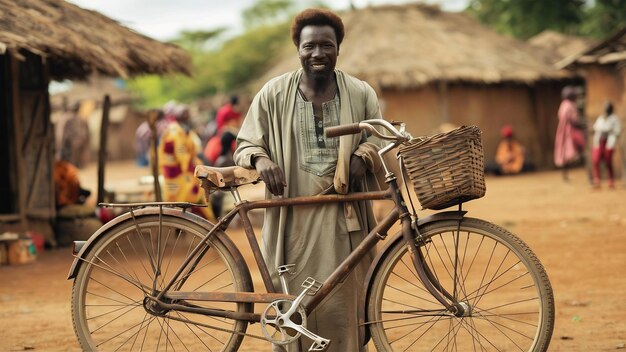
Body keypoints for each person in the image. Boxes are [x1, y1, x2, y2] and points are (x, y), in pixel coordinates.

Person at [234, 8, 384, 352]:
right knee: (292, 301)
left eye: (326, 45)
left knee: (347, 298)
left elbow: (378, 134)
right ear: (298, 49)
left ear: (338, 48)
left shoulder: (361, 93)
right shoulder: (272, 94)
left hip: (344, 221)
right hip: (292, 221)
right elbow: (246, 144)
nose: (318, 54)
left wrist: (364, 155)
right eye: (309, 46)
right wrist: (262, 159)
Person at [158, 103, 214, 220]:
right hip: (176, 173)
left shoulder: (183, 130)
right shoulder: (174, 132)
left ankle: (204, 221)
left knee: (196, 192)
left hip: (183, 171)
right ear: (180, 116)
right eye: (186, 114)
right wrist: (192, 168)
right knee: (186, 195)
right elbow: (181, 154)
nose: (188, 117)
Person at [554, 86, 585, 181]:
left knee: (564, 151)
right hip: (571, 131)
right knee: (582, 146)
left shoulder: (563, 104)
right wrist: (583, 125)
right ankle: (579, 160)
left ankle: (565, 174)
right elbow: (574, 120)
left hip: (563, 130)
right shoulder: (570, 105)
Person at [591, 101, 621, 188]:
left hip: (609, 142)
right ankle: (597, 180)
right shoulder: (600, 118)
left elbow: (617, 131)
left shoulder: (614, 119)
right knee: (595, 160)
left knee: (608, 161)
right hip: (599, 142)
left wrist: (609, 130)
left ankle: (610, 181)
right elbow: (595, 127)